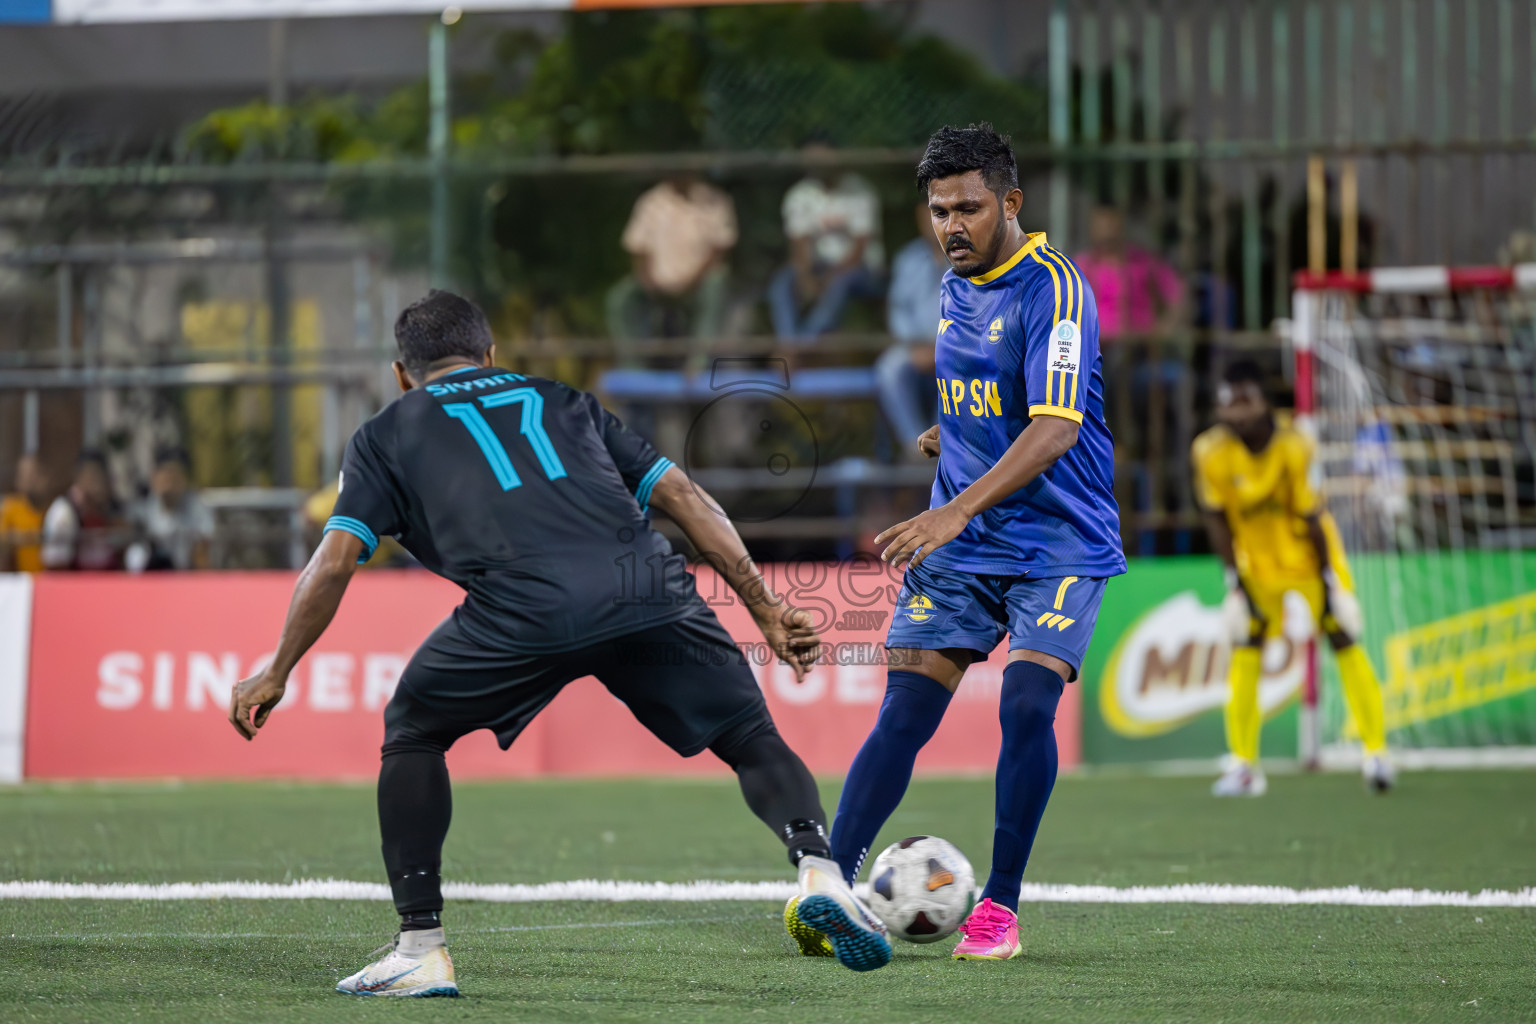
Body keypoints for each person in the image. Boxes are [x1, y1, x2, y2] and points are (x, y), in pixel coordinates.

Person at [226, 290, 892, 996]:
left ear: (401, 374)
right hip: (646, 593)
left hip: (522, 610)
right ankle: (820, 871)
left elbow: (334, 561)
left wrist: (277, 669)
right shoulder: (568, 401)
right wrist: (763, 605)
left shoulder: (384, 434)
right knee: (748, 732)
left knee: (414, 728)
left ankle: (420, 947)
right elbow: (687, 500)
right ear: (490, 356)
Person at [790, 124, 1125, 963]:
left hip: (1058, 541)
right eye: (939, 211)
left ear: (1011, 203)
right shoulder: (951, 284)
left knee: (1024, 706)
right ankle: (830, 887)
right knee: (904, 712)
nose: (953, 226)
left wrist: (951, 513)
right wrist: (960, 429)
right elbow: (997, 391)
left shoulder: (1056, 288)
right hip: (971, 538)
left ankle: (999, 909)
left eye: (969, 208)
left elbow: (1051, 428)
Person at [1193, 361, 1395, 797]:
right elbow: (1216, 520)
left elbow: (1312, 516)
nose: (1237, 412)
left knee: (1343, 632)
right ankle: (1244, 765)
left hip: (1308, 557)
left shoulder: (1294, 445)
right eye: (1228, 403)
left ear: (1263, 400)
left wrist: (1327, 580)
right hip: (1256, 565)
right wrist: (1234, 579)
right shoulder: (1209, 452)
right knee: (1244, 643)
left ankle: (1376, 753)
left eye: (1245, 399)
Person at [605, 174, 738, 369]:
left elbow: (719, 250)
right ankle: (634, 366)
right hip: (655, 285)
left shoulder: (715, 201)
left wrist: (691, 281)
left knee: (718, 282)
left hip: (698, 284)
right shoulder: (650, 202)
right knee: (621, 298)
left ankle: (699, 364)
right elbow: (638, 249)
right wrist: (649, 282)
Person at [767, 143, 884, 341]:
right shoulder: (800, 194)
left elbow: (859, 248)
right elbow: (799, 244)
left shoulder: (859, 191)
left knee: (839, 284)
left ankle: (804, 346)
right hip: (818, 267)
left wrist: (831, 277)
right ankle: (789, 342)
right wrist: (805, 276)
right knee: (781, 283)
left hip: (860, 270)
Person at [875, 202, 948, 455]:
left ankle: (944, 445)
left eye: (938, 215)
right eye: (926, 216)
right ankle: (915, 445)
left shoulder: (967, 255)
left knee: (957, 364)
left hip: (954, 345)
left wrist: (940, 347)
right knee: (889, 367)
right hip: (915, 346)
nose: (931, 222)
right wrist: (915, 345)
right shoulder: (907, 259)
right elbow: (898, 310)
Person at [1073, 205, 1184, 342]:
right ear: (1092, 230)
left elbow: (1177, 295)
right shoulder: (1082, 265)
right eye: (1101, 227)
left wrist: (1163, 329)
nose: (1107, 233)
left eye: (1112, 226)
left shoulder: (1144, 261)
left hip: (1140, 346)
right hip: (1096, 347)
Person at [132, 446, 214, 570]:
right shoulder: (142, 509)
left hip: (186, 575)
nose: (169, 481)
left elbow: (203, 553)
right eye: (165, 474)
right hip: (150, 578)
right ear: (154, 477)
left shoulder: (197, 508)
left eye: (175, 475)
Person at [41, 449, 125, 571]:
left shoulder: (112, 510)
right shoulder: (63, 512)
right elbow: (55, 569)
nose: (98, 485)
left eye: (102, 478)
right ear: (78, 478)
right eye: (92, 477)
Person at [0, 453, 48, 572]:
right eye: (25, 475)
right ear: (17, 480)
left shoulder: (52, 510)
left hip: (47, 579)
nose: (30, 480)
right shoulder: (11, 508)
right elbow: (3, 541)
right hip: (18, 582)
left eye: (34, 474)